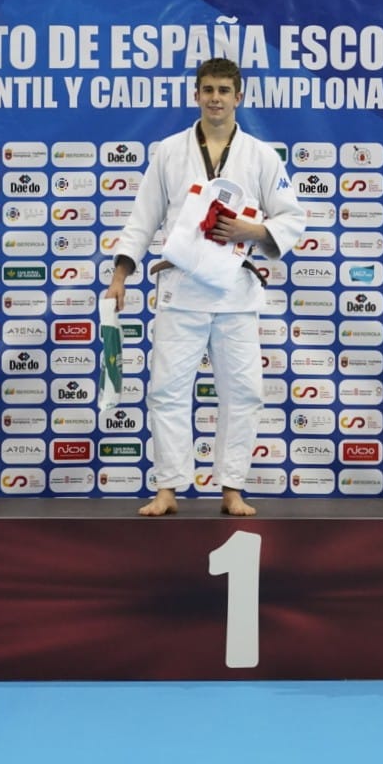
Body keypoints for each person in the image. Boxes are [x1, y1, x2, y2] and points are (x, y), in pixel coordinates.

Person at [104, 58, 304, 517]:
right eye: (208, 89)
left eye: (223, 90)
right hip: (181, 290)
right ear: (196, 95)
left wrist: (251, 232)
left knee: (244, 391)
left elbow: (292, 215)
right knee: (167, 391)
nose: (215, 97)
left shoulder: (260, 155)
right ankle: (168, 488)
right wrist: (120, 273)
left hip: (234, 292)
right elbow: (143, 217)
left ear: (240, 97)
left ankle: (231, 487)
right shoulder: (170, 151)